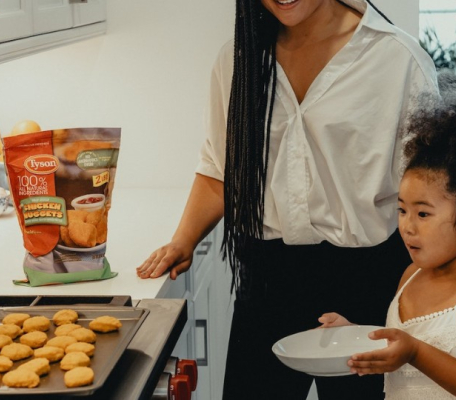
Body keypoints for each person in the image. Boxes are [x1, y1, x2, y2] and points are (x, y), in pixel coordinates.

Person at [136, 0, 438, 398]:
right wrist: (183, 239)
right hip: (268, 280)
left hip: (367, 280)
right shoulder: (238, 59)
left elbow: (431, 193)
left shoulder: (397, 60)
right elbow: (219, 168)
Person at [319, 72, 456, 399]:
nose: (407, 226)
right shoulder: (410, 276)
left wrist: (416, 353)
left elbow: (413, 352)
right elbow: (402, 346)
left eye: (423, 213)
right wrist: (357, 337)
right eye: (402, 210)